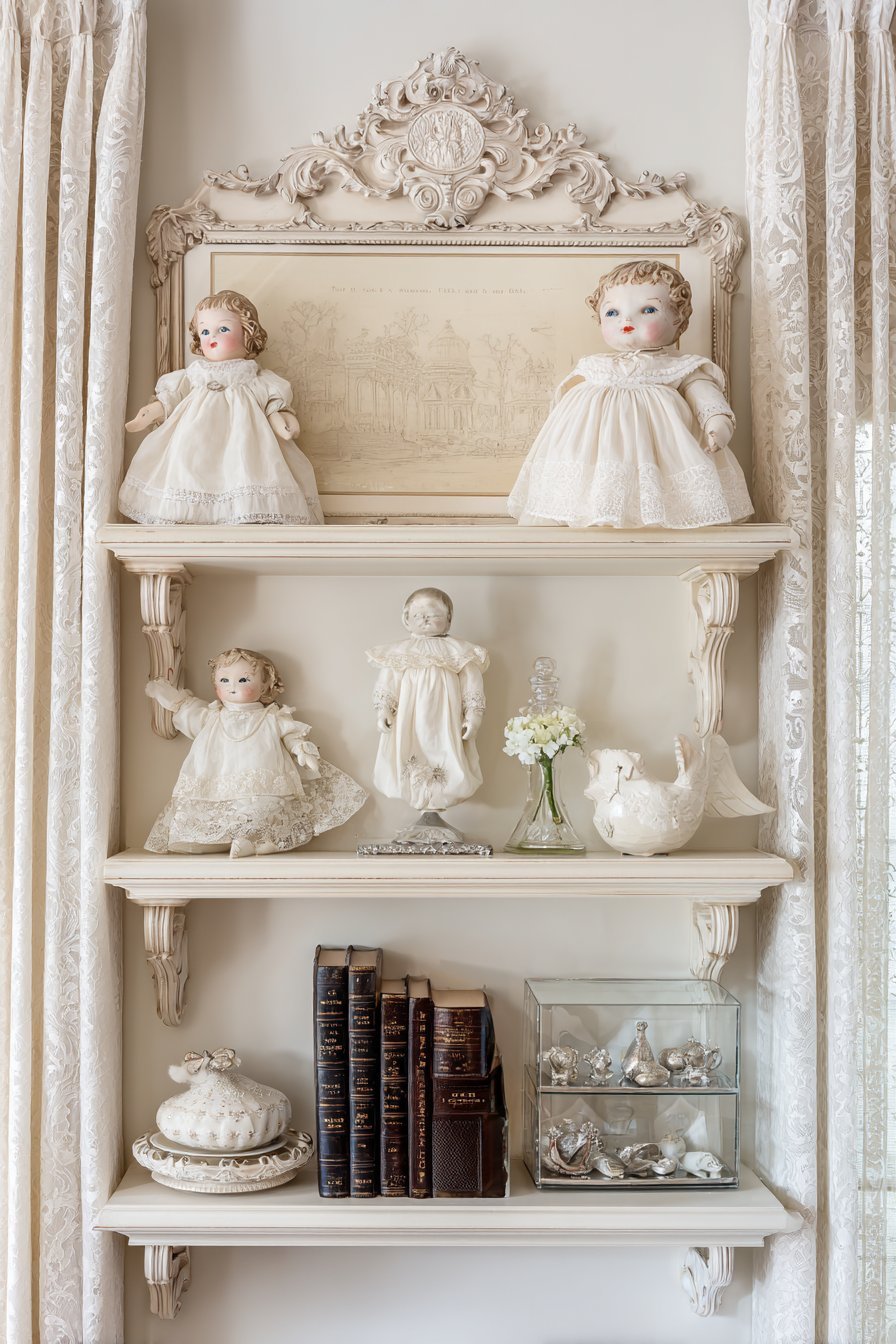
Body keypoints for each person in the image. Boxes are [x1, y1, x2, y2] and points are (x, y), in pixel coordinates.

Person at [507, 259, 754, 528]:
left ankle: (657, 513)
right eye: (612, 313)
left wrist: (717, 421)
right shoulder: (593, 366)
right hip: (596, 453)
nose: (626, 320)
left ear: (677, 318)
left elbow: (704, 393)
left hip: (660, 455)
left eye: (647, 309)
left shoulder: (679, 367)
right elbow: (562, 406)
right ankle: (569, 506)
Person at [119, 290, 323, 524]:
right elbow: (172, 396)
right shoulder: (194, 375)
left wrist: (283, 422)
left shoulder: (255, 377)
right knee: (187, 468)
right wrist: (151, 412)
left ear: (247, 335)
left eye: (223, 329)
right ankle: (189, 514)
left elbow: (272, 406)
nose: (211, 336)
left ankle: (244, 512)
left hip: (245, 442)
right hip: (194, 442)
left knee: (246, 470)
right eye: (205, 331)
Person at [145, 647, 366, 857]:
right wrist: (166, 695)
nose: (232, 686)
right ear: (215, 686)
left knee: (263, 809)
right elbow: (185, 708)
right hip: (217, 777)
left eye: (243, 680)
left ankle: (260, 841)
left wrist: (302, 750)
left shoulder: (272, 716)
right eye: (224, 680)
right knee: (216, 811)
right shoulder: (212, 715)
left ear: (264, 687)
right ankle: (222, 840)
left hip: (262, 778)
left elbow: (291, 734)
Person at [366, 588, 488, 814]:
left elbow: (472, 684)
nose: (424, 619)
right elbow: (388, 681)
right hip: (409, 718)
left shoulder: (459, 651)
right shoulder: (401, 651)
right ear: (406, 618)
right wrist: (383, 709)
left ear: (449, 619)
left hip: (445, 718)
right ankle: (418, 795)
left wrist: (474, 715)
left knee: (445, 750)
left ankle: (439, 797)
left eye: (434, 614)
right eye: (417, 614)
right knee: (409, 749)